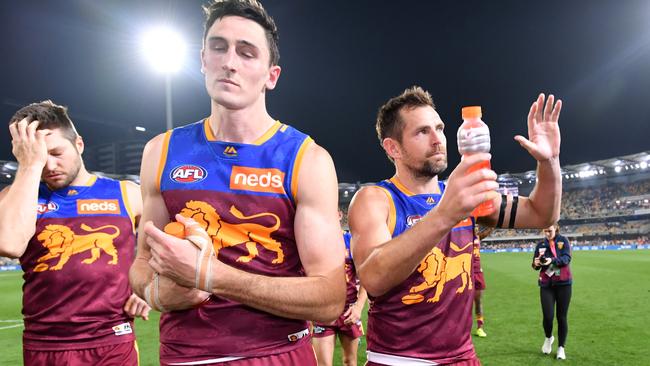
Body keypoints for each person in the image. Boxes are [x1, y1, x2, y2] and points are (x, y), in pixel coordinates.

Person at [128, 1, 346, 365]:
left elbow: (329, 299)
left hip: (277, 354)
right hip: (184, 357)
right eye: (219, 47)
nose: (229, 62)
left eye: (247, 53)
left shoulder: (307, 159)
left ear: (271, 75)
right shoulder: (161, 151)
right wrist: (160, 293)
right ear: (202, 60)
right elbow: (141, 265)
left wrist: (211, 276)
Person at [349, 86, 562, 365]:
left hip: (463, 357)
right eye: (422, 132)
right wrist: (444, 214)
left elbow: (541, 214)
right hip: (399, 360)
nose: (438, 140)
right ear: (393, 147)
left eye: (440, 128)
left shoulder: (464, 196)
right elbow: (374, 279)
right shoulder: (375, 199)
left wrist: (549, 162)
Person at [0, 101, 150, 365]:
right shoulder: (16, 198)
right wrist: (29, 167)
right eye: (39, 155)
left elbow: (164, 245)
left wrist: (147, 286)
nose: (49, 165)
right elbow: (9, 245)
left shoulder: (127, 194)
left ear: (78, 145)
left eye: (56, 152)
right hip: (44, 344)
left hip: (112, 340)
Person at [312, 211, 368, 366]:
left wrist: (358, 308)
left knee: (350, 361)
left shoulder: (352, 241)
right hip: (323, 312)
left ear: (339, 215)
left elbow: (365, 278)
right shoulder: (313, 243)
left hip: (349, 311)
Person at [532, 223, 572, 360]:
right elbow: (534, 264)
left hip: (564, 283)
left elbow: (567, 258)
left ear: (556, 228)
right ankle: (548, 338)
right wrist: (536, 263)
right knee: (548, 316)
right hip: (546, 284)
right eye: (545, 231)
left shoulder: (563, 241)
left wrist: (552, 260)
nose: (547, 233)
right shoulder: (540, 245)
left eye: (550, 230)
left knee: (562, 317)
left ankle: (561, 348)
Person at [473, 226, 493, 338]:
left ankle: (480, 327)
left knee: (478, 300)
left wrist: (496, 221)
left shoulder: (478, 237)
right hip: (465, 271)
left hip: (477, 272)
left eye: (477, 227)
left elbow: (489, 230)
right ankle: (460, 328)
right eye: (474, 226)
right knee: (463, 302)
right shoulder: (462, 237)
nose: (476, 228)